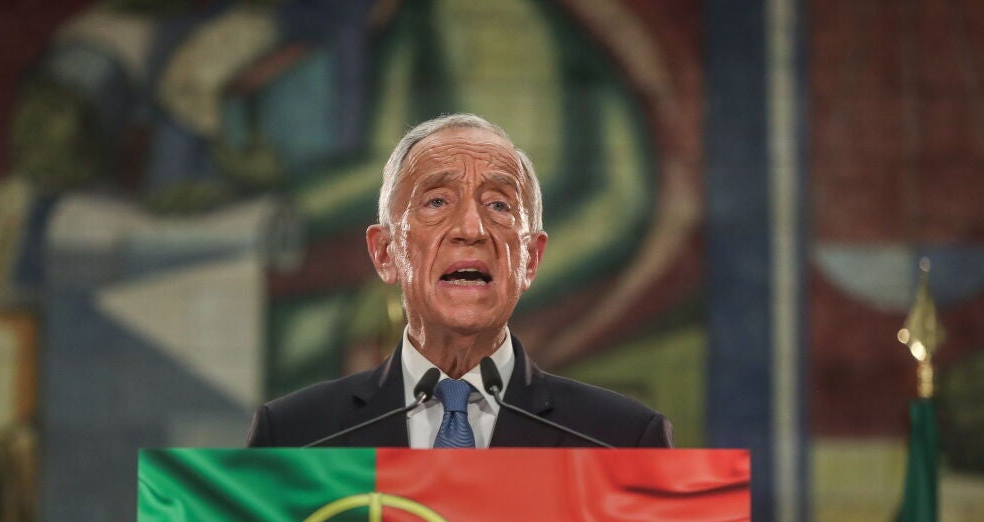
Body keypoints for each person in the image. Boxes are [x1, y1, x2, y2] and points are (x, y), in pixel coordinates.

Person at [246, 113, 672, 448]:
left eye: (499, 205)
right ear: (385, 253)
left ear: (530, 259)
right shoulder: (295, 436)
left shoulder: (621, 439)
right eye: (437, 201)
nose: (471, 228)